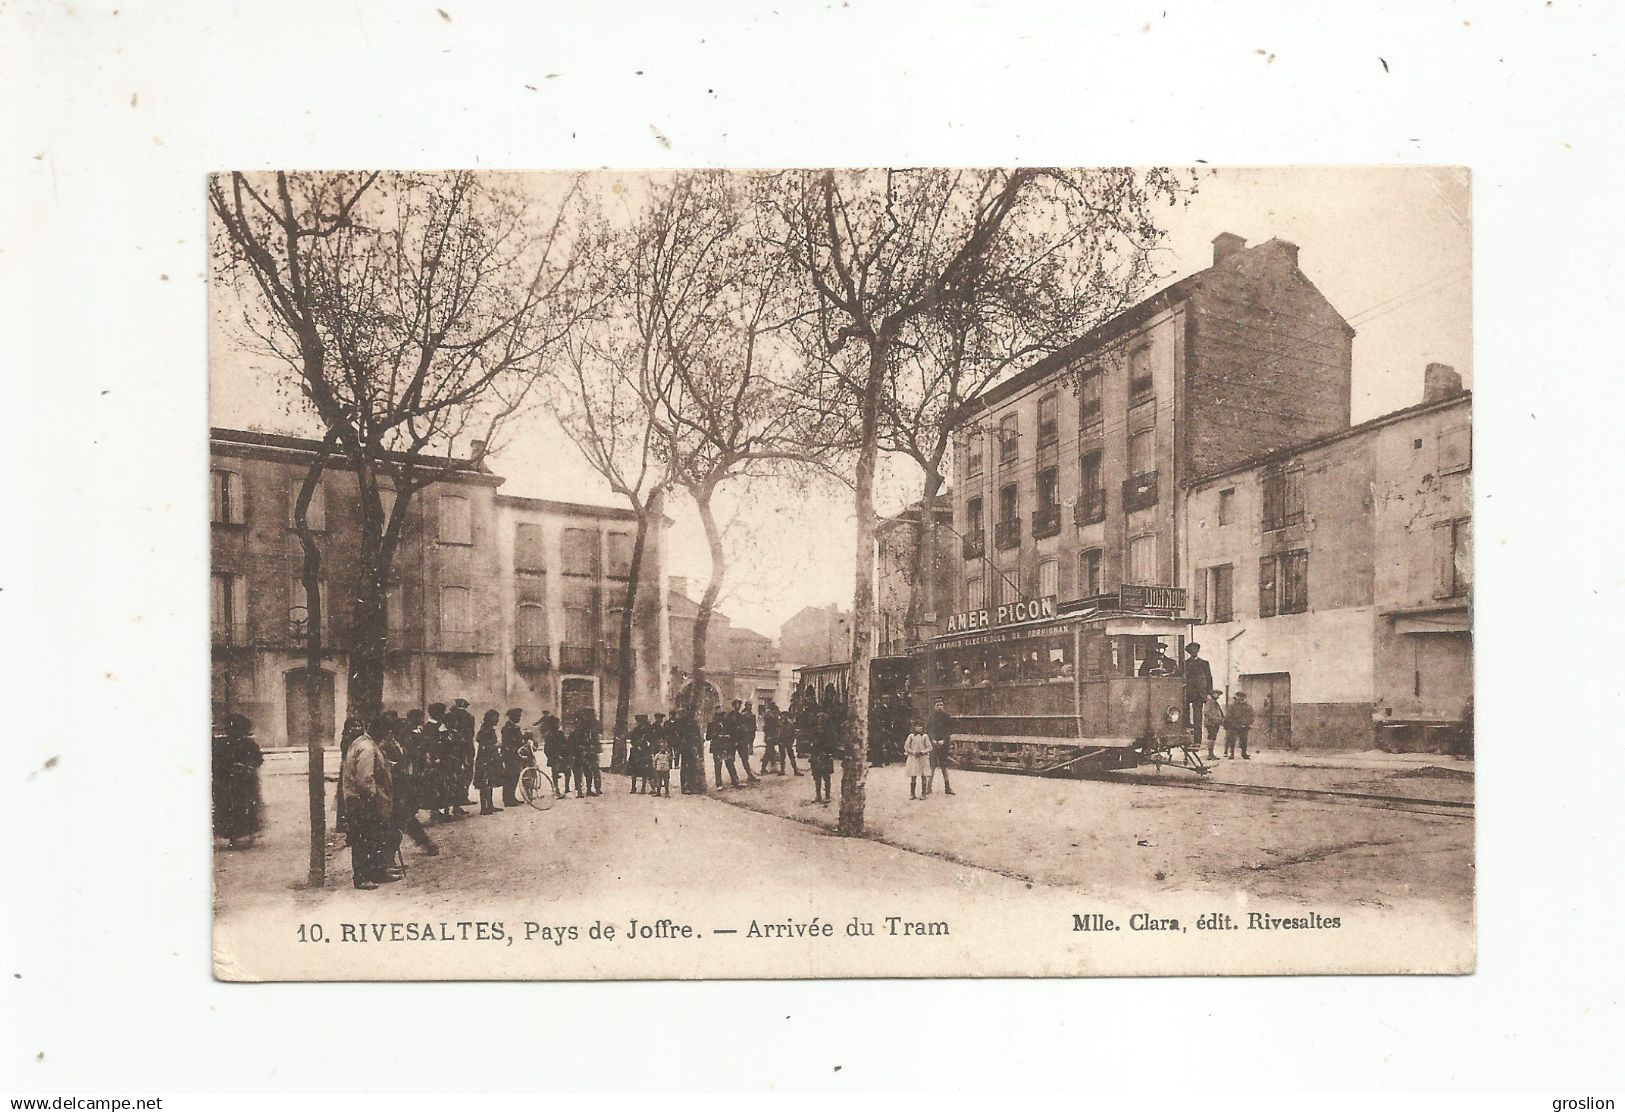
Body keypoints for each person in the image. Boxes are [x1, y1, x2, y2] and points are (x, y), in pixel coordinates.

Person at [340, 714, 397, 889]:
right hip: (363, 800)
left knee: (374, 838)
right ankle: (362, 877)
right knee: (364, 839)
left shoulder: (363, 743)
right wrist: (373, 797)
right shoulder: (366, 748)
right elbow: (365, 778)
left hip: (362, 798)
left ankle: (377, 872)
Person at [388, 711, 439, 857]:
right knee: (402, 820)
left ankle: (424, 842)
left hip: (404, 787)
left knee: (405, 818)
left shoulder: (402, 746)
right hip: (394, 789)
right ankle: (423, 842)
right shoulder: (391, 747)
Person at [212, 713, 264, 847]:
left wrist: (246, 767)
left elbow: (257, 760)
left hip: (238, 781)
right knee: (236, 807)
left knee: (238, 807)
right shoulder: (225, 744)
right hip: (233, 781)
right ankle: (237, 835)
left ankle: (236, 835)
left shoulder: (227, 744)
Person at [334, 715, 365, 834]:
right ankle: (343, 824)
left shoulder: (360, 740)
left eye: (359, 726)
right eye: (354, 726)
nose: (357, 728)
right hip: (348, 769)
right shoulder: (347, 739)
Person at [446, 697, 477, 805]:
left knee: (454, 773)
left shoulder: (449, 716)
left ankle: (455, 799)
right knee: (467, 773)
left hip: (452, 749)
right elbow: (470, 735)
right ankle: (463, 796)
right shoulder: (469, 717)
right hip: (466, 748)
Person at [1184, 643, 1214, 750]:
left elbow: (1209, 678)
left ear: (1198, 651)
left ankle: (1197, 741)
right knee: (1185, 718)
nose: (1193, 652)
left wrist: (1208, 693)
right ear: (1189, 652)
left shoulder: (1204, 663)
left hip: (1199, 695)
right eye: (1191, 651)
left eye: (1195, 650)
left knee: (1198, 719)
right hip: (1187, 694)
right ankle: (1187, 740)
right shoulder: (1185, 663)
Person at [474, 709, 504, 815]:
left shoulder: (489, 729)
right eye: (495, 718)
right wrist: (496, 745)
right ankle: (484, 808)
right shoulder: (485, 730)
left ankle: (490, 805)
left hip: (491, 758)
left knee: (490, 781)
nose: (497, 720)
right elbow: (483, 745)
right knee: (484, 783)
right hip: (485, 759)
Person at [926, 698, 956, 796]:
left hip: (944, 744)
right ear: (934, 706)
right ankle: (928, 787)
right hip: (934, 745)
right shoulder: (930, 718)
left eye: (941, 705)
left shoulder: (947, 717)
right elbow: (929, 730)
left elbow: (949, 730)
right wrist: (933, 740)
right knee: (932, 766)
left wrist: (943, 740)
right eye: (937, 705)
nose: (939, 707)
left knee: (944, 766)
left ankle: (947, 787)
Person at [677, 708, 707, 794]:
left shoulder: (694, 723)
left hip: (693, 748)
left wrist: (699, 749)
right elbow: (679, 736)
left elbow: (698, 737)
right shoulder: (681, 723)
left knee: (693, 767)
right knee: (685, 767)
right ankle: (685, 787)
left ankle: (693, 786)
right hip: (686, 748)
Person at [500, 708, 526, 807]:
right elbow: (507, 743)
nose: (519, 718)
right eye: (518, 716)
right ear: (512, 717)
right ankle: (507, 799)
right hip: (510, 755)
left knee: (515, 776)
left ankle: (512, 797)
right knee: (509, 776)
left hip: (515, 754)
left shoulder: (514, 727)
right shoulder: (508, 728)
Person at [903, 719, 933, 800]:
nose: (919, 728)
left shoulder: (925, 736)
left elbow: (930, 747)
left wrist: (922, 752)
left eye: (921, 726)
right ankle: (912, 793)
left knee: (923, 776)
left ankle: (923, 793)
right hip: (913, 758)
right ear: (914, 727)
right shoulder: (911, 736)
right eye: (917, 726)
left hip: (923, 758)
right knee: (913, 775)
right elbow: (906, 747)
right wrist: (912, 752)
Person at [709, 708, 740, 789]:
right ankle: (719, 784)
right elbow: (708, 736)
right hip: (717, 747)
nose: (721, 717)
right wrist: (718, 736)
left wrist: (728, 737)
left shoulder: (726, 724)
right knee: (718, 765)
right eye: (719, 715)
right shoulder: (712, 724)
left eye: (722, 715)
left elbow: (731, 733)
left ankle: (735, 781)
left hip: (726, 746)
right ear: (716, 716)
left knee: (730, 763)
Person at [628, 714, 653, 794]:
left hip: (644, 752)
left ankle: (643, 787)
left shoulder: (648, 730)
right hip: (635, 752)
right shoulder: (635, 730)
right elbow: (632, 740)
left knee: (644, 770)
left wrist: (646, 745)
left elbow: (651, 740)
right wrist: (636, 745)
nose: (638, 723)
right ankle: (633, 787)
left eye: (639, 721)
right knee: (634, 770)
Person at [736, 700, 760, 782]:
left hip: (748, 736)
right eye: (748, 705)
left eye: (751, 705)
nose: (750, 707)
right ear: (745, 706)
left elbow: (753, 726)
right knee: (743, 758)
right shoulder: (742, 715)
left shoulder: (752, 715)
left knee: (745, 758)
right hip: (741, 739)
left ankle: (749, 775)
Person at [1226, 692, 1254, 760]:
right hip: (1234, 725)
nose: (1239, 698)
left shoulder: (1248, 706)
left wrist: (1249, 723)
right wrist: (1231, 723)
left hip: (1244, 725)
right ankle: (1232, 754)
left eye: (1241, 696)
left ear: (1244, 698)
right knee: (1232, 740)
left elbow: (1251, 715)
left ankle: (1244, 753)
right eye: (1238, 696)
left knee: (1244, 740)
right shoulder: (1232, 706)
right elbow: (1229, 715)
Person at [1203, 690, 1226, 761]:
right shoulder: (1210, 701)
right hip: (1211, 723)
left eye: (1219, 695)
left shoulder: (1214, 702)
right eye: (1217, 694)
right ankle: (1210, 754)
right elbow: (1206, 712)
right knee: (1211, 738)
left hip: (1215, 723)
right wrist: (1215, 719)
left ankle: (1211, 753)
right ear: (1213, 694)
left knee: (1213, 738)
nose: (1218, 696)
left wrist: (1221, 718)